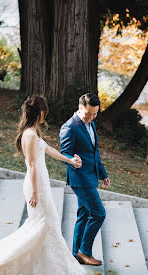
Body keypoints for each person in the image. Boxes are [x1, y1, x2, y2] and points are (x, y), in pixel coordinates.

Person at [0, 94, 87, 275]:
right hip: (36, 185)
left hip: (40, 183)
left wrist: (69, 160)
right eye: (44, 112)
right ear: (39, 112)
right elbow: (31, 165)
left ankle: (47, 268)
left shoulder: (33, 132)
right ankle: (52, 270)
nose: (45, 115)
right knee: (44, 224)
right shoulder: (29, 135)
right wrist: (34, 193)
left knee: (45, 225)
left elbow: (47, 150)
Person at [59, 93, 110, 266]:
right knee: (99, 213)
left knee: (84, 214)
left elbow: (94, 152)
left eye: (95, 114)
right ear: (80, 108)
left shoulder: (91, 124)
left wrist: (103, 174)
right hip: (80, 179)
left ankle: (75, 254)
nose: (91, 117)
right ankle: (84, 252)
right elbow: (64, 152)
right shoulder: (69, 127)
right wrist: (72, 160)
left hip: (91, 176)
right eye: (88, 114)